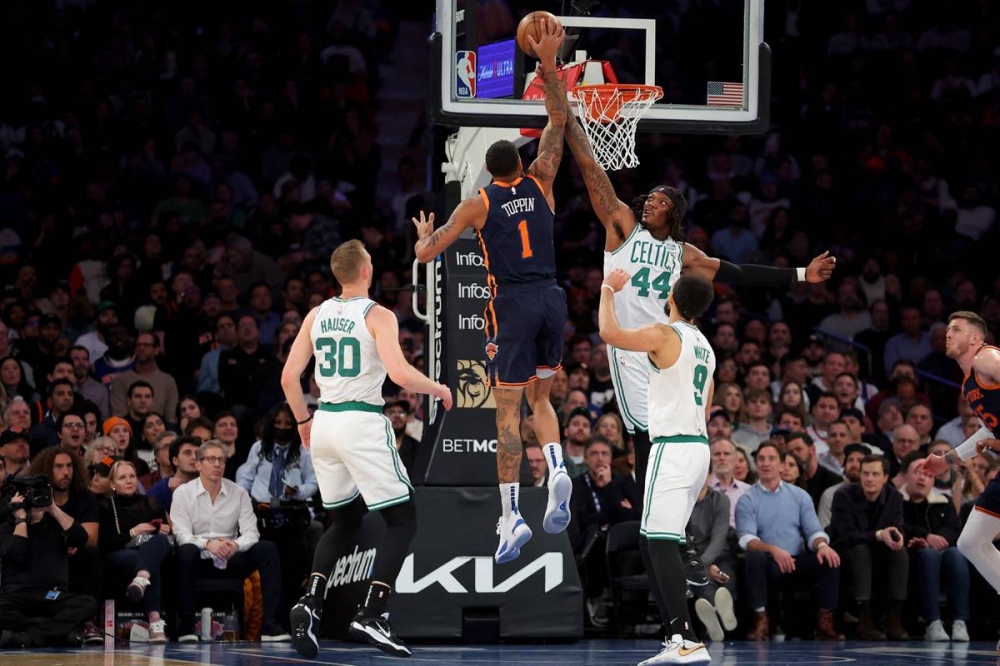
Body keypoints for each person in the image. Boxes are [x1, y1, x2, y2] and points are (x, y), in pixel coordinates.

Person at [561, 71, 836, 512]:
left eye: (661, 201)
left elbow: (739, 273)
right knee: (645, 432)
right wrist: (568, 115)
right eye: (650, 198)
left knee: (673, 433)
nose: (651, 202)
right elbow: (593, 170)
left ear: (674, 214)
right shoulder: (622, 227)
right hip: (628, 342)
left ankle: (671, 513)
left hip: (665, 345)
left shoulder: (684, 253)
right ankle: (654, 515)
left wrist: (802, 274)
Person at [411, 20, 573, 563]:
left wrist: (422, 238)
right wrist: (547, 62)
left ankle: (510, 517)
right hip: (552, 298)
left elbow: (428, 254)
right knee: (542, 399)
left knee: (506, 414)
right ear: (522, 164)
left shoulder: (477, 204)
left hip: (512, 306)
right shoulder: (543, 180)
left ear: (487, 170)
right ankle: (556, 466)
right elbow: (558, 119)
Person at [280, 240, 452, 659]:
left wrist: (303, 421)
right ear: (365, 271)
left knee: (345, 521)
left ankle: (310, 602)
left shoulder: (316, 314)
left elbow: (289, 377)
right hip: (360, 421)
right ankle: (372, 612)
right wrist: (438, 388)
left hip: (325, 422)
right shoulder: (378, 315)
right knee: (403, 519)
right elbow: (399, 374)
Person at [598, 270, 716, 665]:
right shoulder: (706, 347)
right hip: (698, 447)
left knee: (661, 542)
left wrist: (608, 290)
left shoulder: (666, 334)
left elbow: (610, 333)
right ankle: (678, 636)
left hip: (672, 446)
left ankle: (685, 638)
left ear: (672, 297)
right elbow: (706, 408)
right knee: (653, 539)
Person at [914, 311, 1000, 647]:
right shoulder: (969, 383)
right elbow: (987, 430)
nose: (948, 334)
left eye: (957, 329)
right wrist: (947, 460)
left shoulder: (986, 359)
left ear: (976, 338)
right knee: (970, 542)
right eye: (947, 329)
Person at [171, 440, 291, 643]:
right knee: (186, 550)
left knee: (267, 548)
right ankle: (186, 625)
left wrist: (235, 545)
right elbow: (181, 534)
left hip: (231, 556)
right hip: (199, 558)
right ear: (198, 464)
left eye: (221, 460)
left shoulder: (239, 492)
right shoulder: (183, 493)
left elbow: (251, 533)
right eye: (211, 459)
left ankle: (272, 625)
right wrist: (208, 544)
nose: (217, 464)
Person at [736, 442, 842, 641]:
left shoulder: (799, 495)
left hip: (796, 561)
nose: (766, 463)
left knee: (829, 557)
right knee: (754, 557)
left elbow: (814, 530)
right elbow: (746, 539)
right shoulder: (747, 499)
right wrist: (773, 550)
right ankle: (761, 620)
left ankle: (826, 621)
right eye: (761, 459)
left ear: (782, 465)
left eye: (771, 458)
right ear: (756, 465)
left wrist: (822, 545)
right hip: (769, 563)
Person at [0, 484, 98, 648]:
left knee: (88, 604)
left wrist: (53, 508)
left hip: (51, 595)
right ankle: (56, 634)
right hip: (17, 595)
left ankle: (29, 636)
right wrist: (21, 519)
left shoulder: (56, 524)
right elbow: (18, 553)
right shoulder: (6, 527)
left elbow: (81, 538)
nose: (35, 502)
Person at [828, 455, 908, 641]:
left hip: (879, 553)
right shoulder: (843, 495)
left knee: (900, 552)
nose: (869, 479)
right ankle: (865, 619)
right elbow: (847, 536)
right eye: (865, 474)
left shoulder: (894, 497)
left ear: (885, 477)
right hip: (847, 552)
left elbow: (897, 527)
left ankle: (894, 619)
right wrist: (879, 535)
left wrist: (897, 537)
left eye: (875, 474)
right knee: (861, 549)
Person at [98, 460, 172, 643]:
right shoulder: (105, 506)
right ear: (113, 484)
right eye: (122, 477)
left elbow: (166, 534)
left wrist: (163, 529)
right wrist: (133, 532)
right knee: (150, 562)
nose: (129, 480)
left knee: (160, 541)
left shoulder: (152, 502)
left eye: (132, 476)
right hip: (120, 553)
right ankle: (155, 620)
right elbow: (104, 543)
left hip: (149, 551)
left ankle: (141, 579)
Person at [899, 452, 969, 642]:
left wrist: (939, 539)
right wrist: (925, 537)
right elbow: (898, 526)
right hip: (909, 554)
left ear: (933, 481)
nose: (922, 478)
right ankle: (933, 622)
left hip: (941, 553)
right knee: (928, 555)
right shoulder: (896, 499)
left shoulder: (943, 501)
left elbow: (953, 529)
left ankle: (960, 622)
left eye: (928, 474)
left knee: (956, 554)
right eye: (917, 473)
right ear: (906, 476)